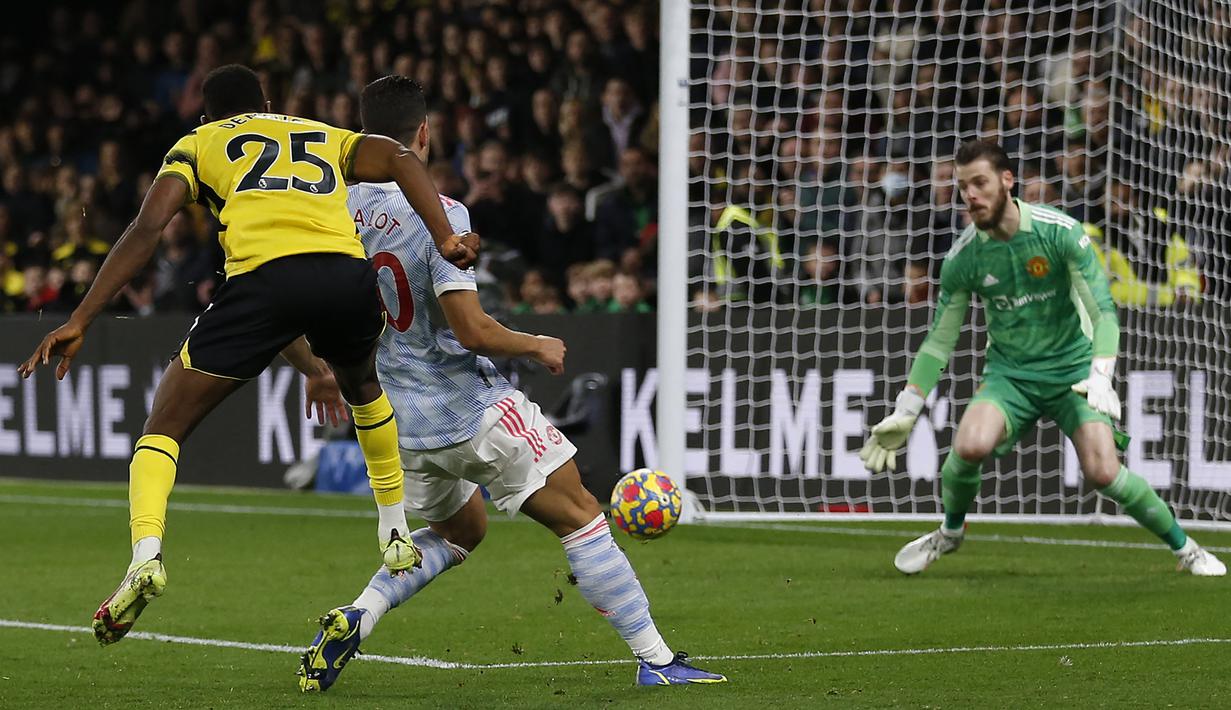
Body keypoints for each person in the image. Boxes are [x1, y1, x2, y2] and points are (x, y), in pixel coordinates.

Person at [17, 64, 481, 646]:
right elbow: (397, 158)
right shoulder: (319, 133)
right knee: (364, 386)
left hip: (261, 281)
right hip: (345, 276)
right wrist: (444, 235)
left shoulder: (197, 143)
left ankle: (145, 556)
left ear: (207, 116)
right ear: (267, 102)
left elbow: (148, 226)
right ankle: (394, 530)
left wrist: (81, 317)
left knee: (164, 425)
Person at [290, 76, 725, 692]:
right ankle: (657, 660)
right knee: (581, 513)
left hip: (399, 426)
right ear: (422, 134)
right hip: (471, 407)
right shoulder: (439, 213)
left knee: (462, 529)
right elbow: (469, 330)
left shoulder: (330, 218)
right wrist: (534, 343)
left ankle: (361, 614)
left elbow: (294, 308)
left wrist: (316, 370)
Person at [859, 140, 1224, 577]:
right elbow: (940, 341)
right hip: (1010, 376)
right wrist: (908, 406)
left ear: (1007, 182)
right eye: (963, 187)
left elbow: (1103, 311)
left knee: (1104, 472)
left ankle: (1186, 549)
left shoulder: (1059, 233)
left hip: (1073, 372)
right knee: (969, 444)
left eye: (980, 183)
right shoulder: (964, 257)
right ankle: (950, 532)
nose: (970, 195)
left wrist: (1101, 374)